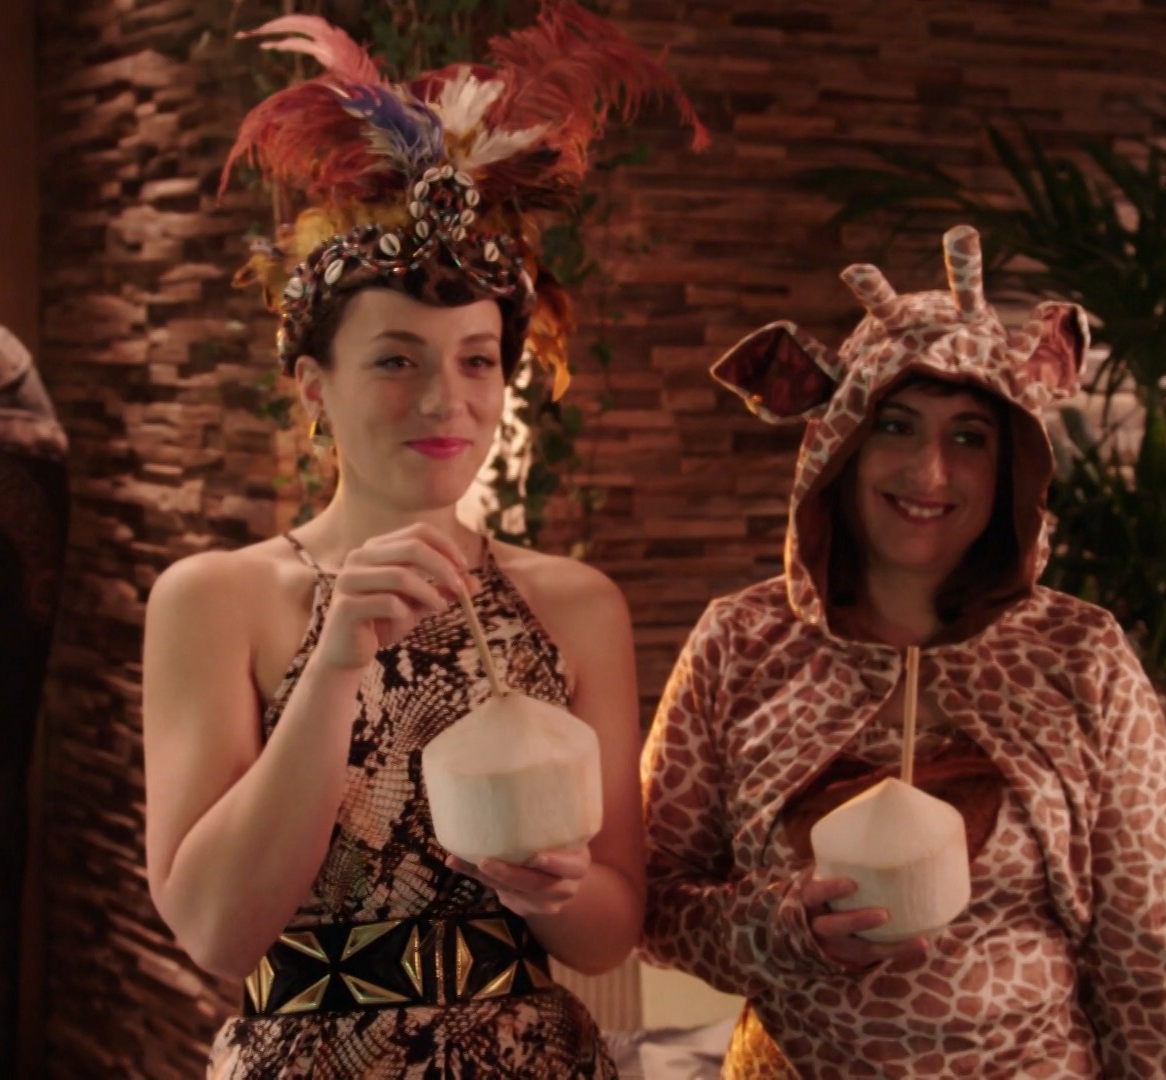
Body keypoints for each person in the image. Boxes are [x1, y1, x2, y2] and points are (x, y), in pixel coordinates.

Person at [141, 7, 704, 1077]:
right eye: (396, 360)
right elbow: (215, 928)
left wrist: (557, 891)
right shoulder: (216, 599)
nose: (446, 400)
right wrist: (334, 664)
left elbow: (607, 934)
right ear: (315, 387)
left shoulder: (574, 604)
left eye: (477, 360)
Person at [639, 227, 1166, 1078]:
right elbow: (653, 899)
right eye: (896, 426)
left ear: (1013, 462)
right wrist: (779, 929)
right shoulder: (740, 642)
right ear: (839, 443)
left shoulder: (1082, 657)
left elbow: (1152, 962)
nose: (930, 473)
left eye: (969, 437)